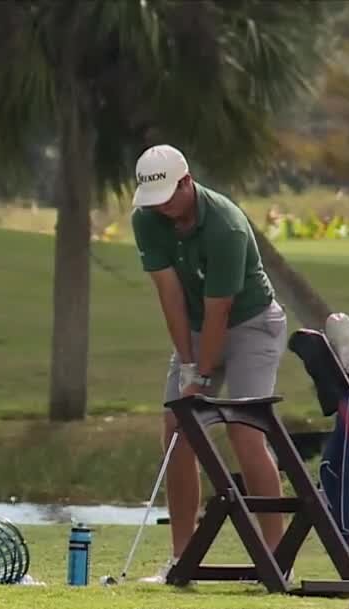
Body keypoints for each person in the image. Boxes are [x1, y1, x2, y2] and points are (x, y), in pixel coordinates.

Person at [128, 144, 289, 584]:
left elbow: (221, 310)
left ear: (186, 182)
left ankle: (274, 559)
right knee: (177, 431)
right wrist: (186, 364)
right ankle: (183, 561)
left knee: (245, 429)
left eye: (167, 195)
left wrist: (201, 376)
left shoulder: (226, 226)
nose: (160, 206)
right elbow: (171, 296)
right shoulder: (147, 220)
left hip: (252, 325)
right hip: (199, 327)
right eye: (152, 199)